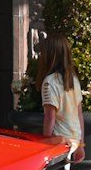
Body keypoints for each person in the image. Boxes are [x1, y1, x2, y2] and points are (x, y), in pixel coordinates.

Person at [36, 32, 85, 162]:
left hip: (59, 140)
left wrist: (44, 142)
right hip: (74, 139)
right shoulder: (73, 81)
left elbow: (50, 117)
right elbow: (79, 114)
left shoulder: (49, 82)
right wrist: (80, 144)